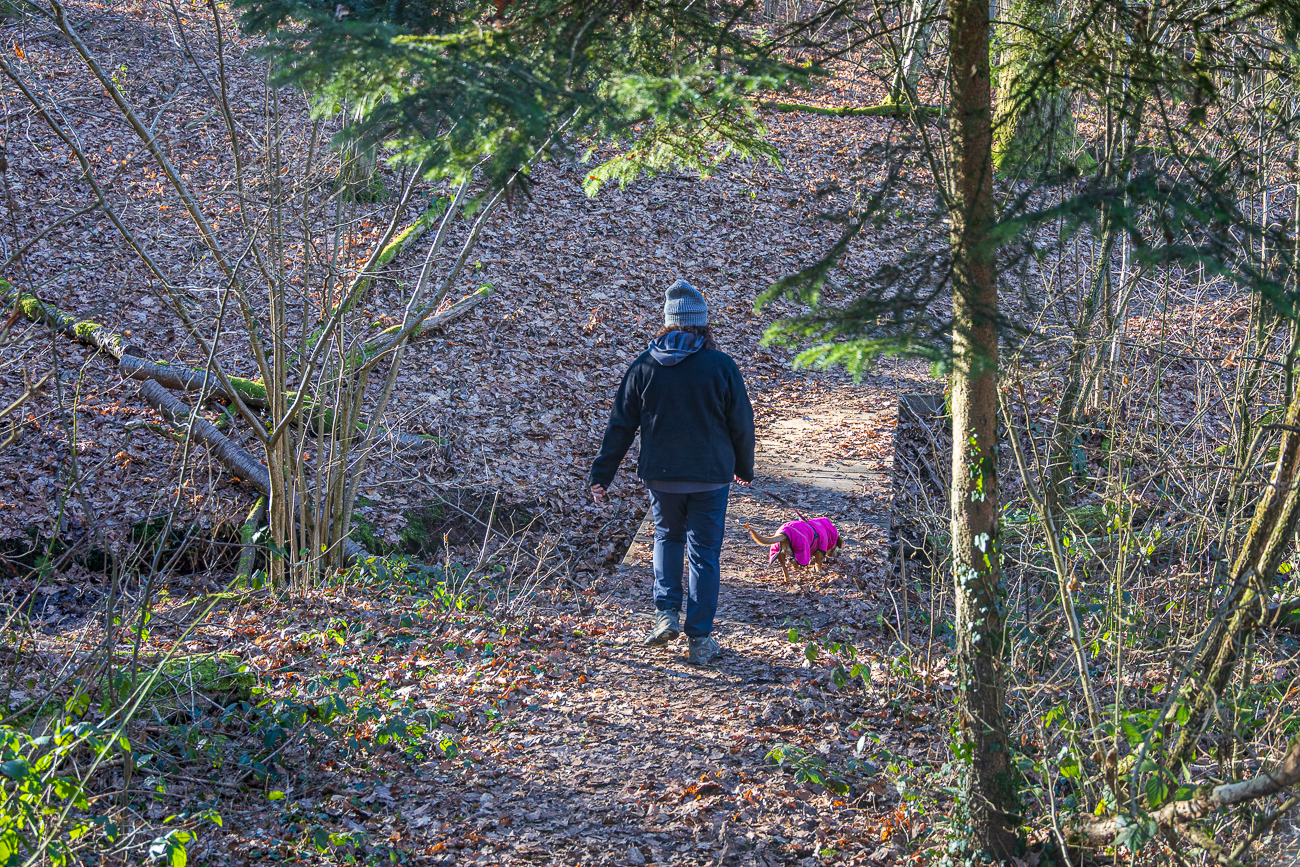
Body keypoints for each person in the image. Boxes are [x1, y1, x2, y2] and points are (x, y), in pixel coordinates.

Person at [589, 279, 755, 665]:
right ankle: (699, 640)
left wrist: (602, 474)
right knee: (704, 554)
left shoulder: (643, 366)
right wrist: (744, 467)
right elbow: (742, 422)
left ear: (668, 323)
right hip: (710, 476)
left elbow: (620, 425)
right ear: (702, 324)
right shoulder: (721, 366)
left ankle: (665, 614)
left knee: (667, 539)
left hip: (661, 475)